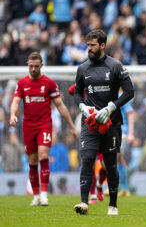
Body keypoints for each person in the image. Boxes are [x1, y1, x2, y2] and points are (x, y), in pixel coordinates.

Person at [73, 29, 134, 215]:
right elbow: (76, 92)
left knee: (110, 164)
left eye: (92, 45)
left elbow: (130, 92)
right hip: (90, 122)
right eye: (87, 45)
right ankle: (84, 202)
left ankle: (113, 205)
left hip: (112, 123)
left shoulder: (116, 66)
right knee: (87, 159)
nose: (89, 49)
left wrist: (111, 108)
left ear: (102, 45)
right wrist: (83, 107)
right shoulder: (82, 68)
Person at [9, 52, 79, 206]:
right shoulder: (21, 83)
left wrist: (72, 127)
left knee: (43, 157)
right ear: (28, 64)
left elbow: (60, 105)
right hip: (28, 126)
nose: (33, 69)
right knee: (32, 162)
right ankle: (35, 196)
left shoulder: (49, 83)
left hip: (44, 124)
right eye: (30, 66)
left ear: (41, 65)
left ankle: (44, 194)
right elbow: (15, 101)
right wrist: (13, 114)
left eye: (36, 66)